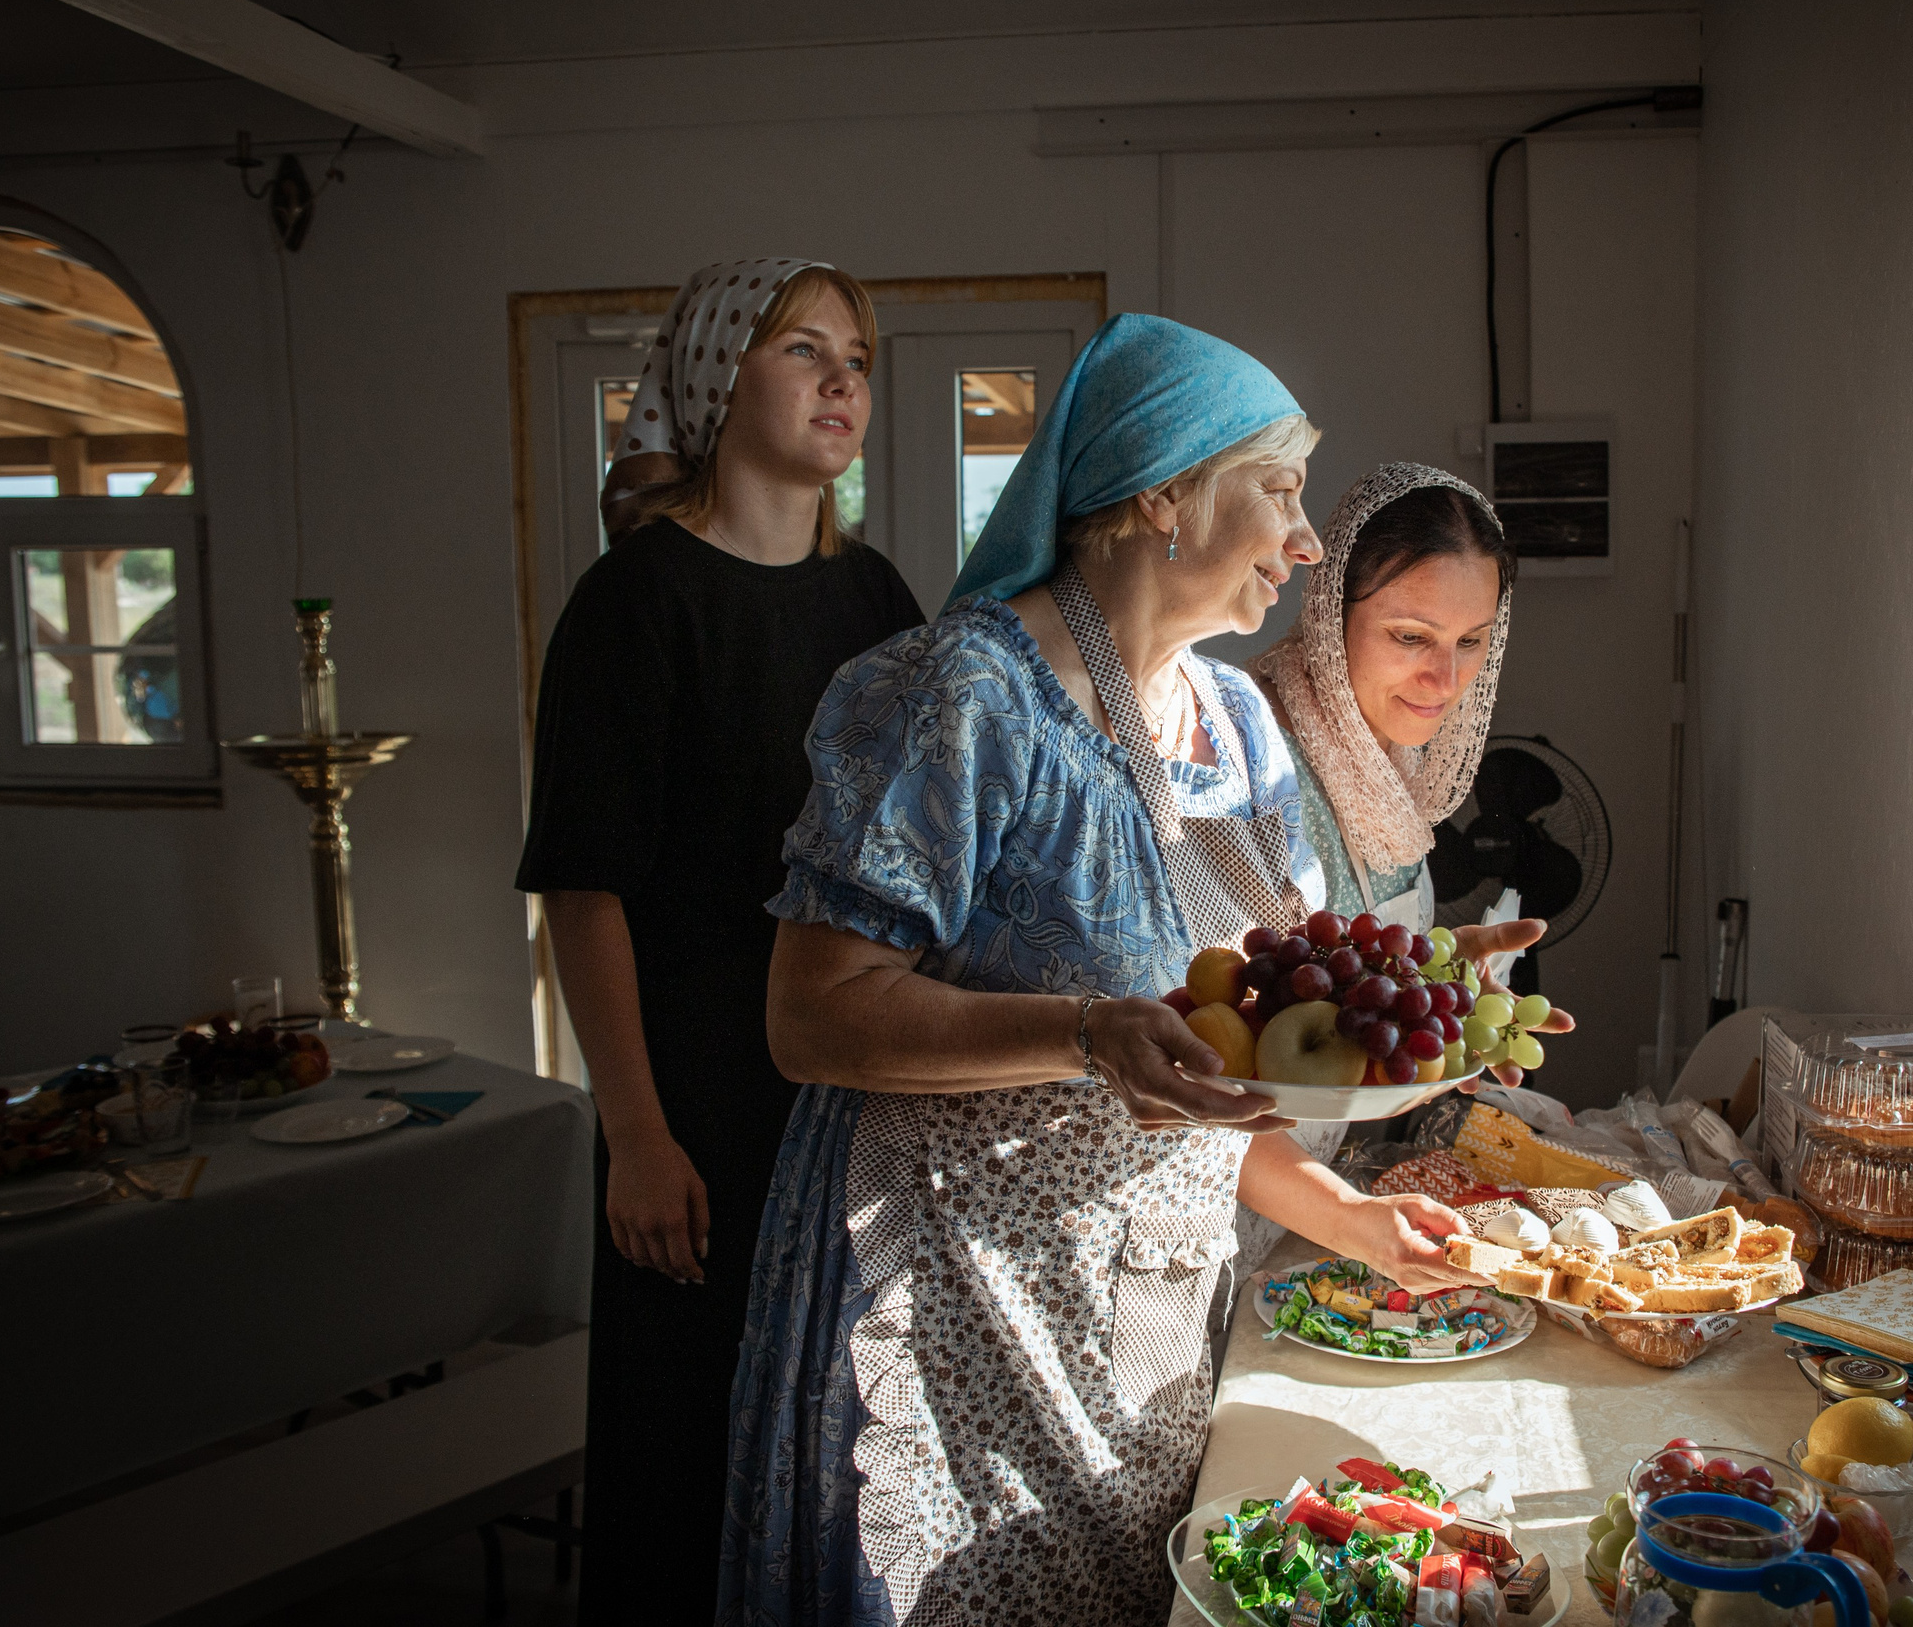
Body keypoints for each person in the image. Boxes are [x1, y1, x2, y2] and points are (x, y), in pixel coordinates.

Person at [719, 315, 1491, 1626]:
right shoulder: (961, 692)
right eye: (1281, 489)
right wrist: (1084, 1032)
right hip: (962, 1303)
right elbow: (811, 1014)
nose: (1307, 542)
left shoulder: (1238, 724)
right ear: (1163, 493)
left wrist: (1350, 1208)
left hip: (1151, 1309)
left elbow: (1221, 1053)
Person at [514, 257, 923, 1625]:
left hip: (849, 1092)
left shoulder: (877, 600)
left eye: (856, 355)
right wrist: (633, 1127)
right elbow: (585, 889)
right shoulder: (634, 603)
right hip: (692, 1100)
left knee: (842, 1442)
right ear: (713, 377)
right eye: (803, 348)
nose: (841, 379)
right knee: (688, 1448)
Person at [1232, 462, 1574, 1261]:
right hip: (1225, 1209)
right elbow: (1208, 1060)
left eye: (1472, 642)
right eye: (1411, 637)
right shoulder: (1248, 760)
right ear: (1328, 612)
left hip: (1317, 1204)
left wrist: (1441, 982)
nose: (1445, 679)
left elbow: (1343, 976)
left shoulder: (1392, 768)